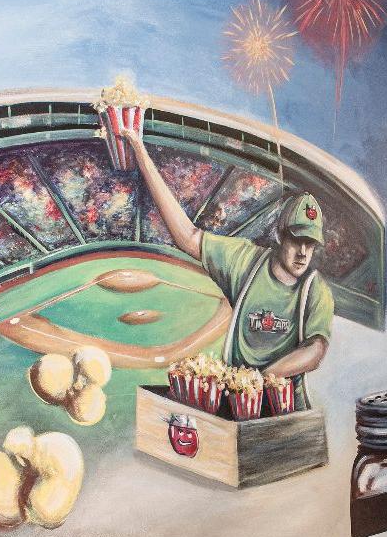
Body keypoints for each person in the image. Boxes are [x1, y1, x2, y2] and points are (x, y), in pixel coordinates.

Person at [120, 128, 333, 410]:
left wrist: (265, 376)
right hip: (238, 403)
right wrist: (141, 153)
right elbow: (189, 238)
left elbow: (315, 350)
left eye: (311, 244)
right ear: (281, 235)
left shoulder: (315, 290)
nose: (303, 253)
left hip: (285, 411)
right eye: (297, 240)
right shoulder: (245, 260)